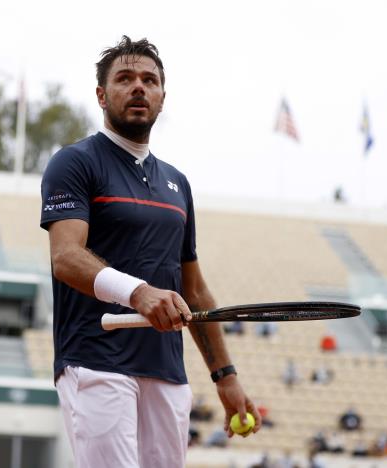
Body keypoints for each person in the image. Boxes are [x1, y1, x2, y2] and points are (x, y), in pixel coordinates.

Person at [40, 35, 261, 468]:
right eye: (125, 78)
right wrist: (139, 293)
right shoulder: (74, 162)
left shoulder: (178, 184)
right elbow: (65, 257)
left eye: (149, 80)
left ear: (162, 97)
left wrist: (225, 376)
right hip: (96, 362)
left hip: (167, 372)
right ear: (102, 95)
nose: (139, 86)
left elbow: (193, 291)